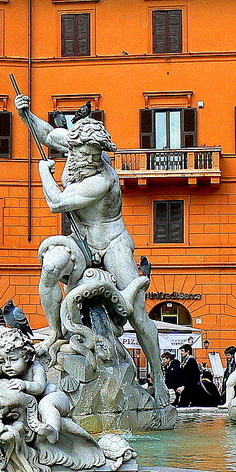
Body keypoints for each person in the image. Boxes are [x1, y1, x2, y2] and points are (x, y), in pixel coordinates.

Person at [14, 92, 170, 409]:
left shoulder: (102, 178)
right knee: (51, 268)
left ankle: (159, 380)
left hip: (112, 241)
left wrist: (44, 173)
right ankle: (55, 332)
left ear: (100, 152)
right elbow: (46, 134)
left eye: (93, 152)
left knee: (137, 311)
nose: (86, 156)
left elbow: (56, 203)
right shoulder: (73, 147)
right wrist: (26, 114)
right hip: (81, 241)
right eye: (82, 149)